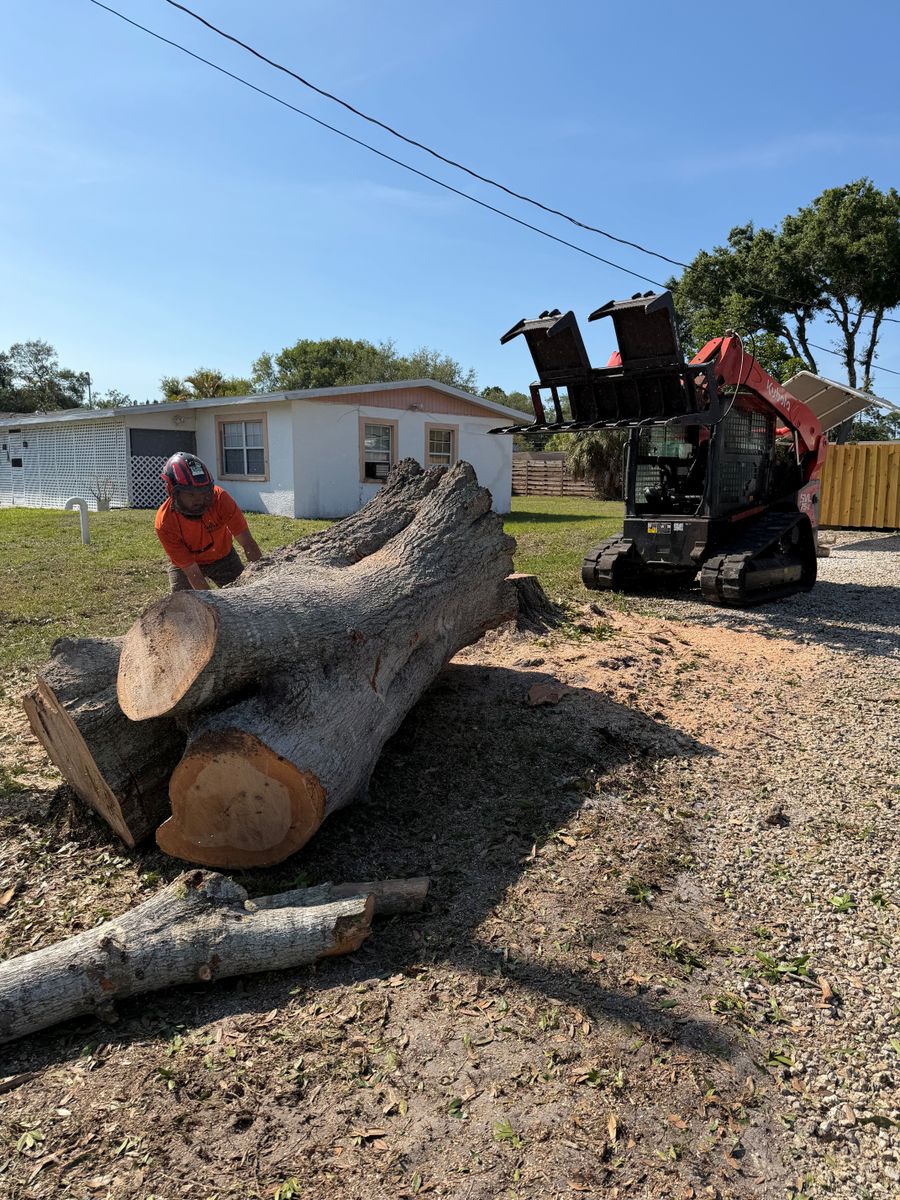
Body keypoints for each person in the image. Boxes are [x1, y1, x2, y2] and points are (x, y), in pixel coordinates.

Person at [155, 452, 262, 592]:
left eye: (204, 493)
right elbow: (193, 575)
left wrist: (261, 579)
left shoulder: (220, 499)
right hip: (185, 566)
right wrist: (212, 607)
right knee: (184, 604)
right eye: (191, 494)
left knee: (244, 595)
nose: (199, 500)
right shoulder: (165, 523)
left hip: (224, 558)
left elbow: (248, 543)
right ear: (173, 491)